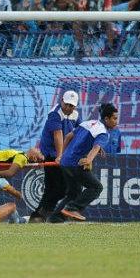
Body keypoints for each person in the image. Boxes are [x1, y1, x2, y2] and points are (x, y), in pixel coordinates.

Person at [54, 103, 119, 222]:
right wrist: (89, 160)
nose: (116, 121)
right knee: (96, 187)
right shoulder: (104, 133)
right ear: (106, 119)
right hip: (76, 163)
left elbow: (68, 136)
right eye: (114, 118)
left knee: (74, 193)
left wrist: (61, 155)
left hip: (65, 162)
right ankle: (73, 208)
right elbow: (95, 147)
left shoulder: (88, 123)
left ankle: (54, 219)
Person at [31, 90, 82, 223]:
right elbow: (57, 135)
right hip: (50, 155)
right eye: (67, 104)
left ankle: (40, 215)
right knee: (58, 188)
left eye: (72, 105)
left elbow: (79, 134)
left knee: (57, 188)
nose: (69, 108)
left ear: (75, 106)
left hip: (63, 157)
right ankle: (42, 215)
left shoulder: (76, 115)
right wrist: (59, 156)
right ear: (62, 102)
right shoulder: (55, 113)